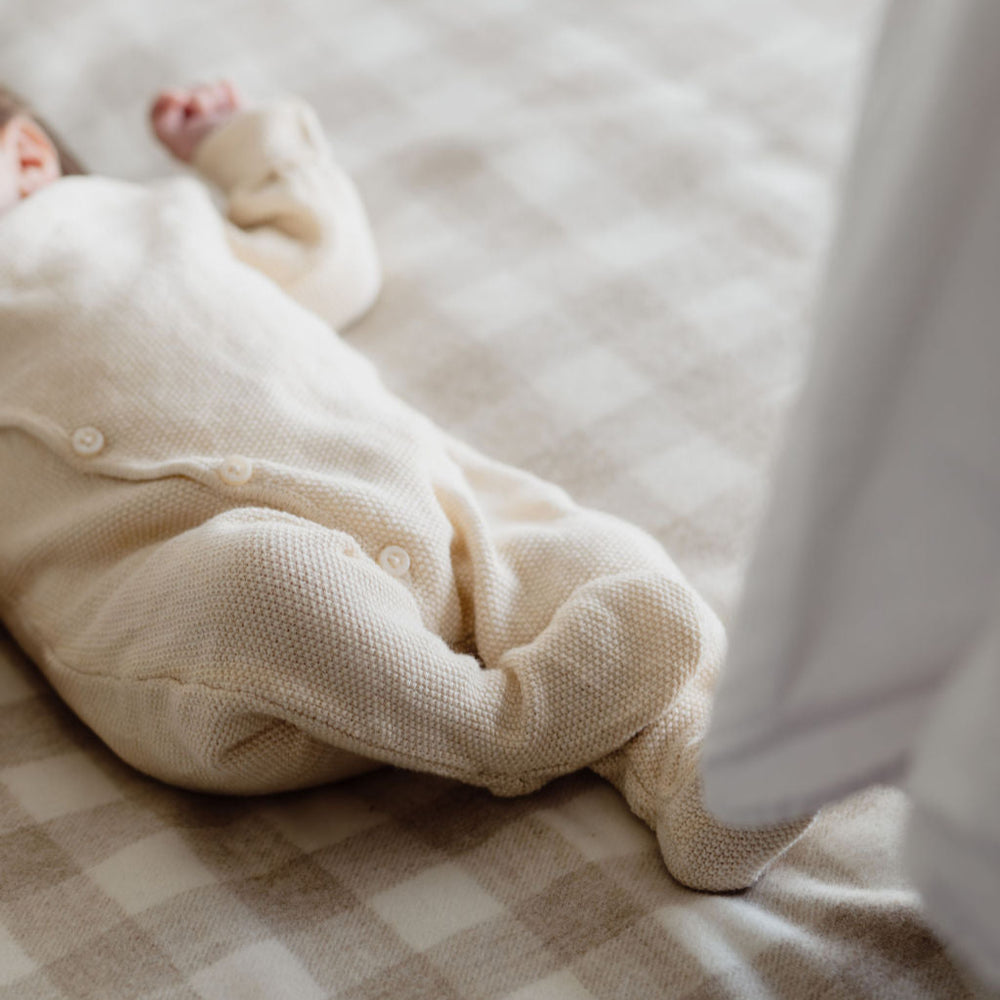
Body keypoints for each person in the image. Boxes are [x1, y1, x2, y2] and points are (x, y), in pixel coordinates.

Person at [0, 80, 809, 892]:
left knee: (592, 556)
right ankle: (505, 725)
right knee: (266, 581)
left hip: (417, 500)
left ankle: (695, 778)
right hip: (210, 631)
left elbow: (328, 262)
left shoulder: (152, 220)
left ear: (29, 157)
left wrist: (246, 146)